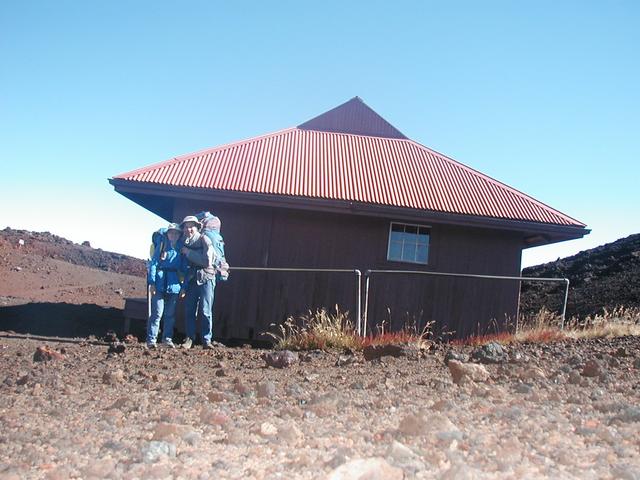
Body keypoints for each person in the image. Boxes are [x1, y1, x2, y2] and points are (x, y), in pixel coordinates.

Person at [180, 215, 216, 349]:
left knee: (206, 310)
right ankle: (189, 338)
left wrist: (188, 253)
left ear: (197, 227)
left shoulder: (204, 240)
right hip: (191, 280)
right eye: (186, 227)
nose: (189, 229)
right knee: (189, 310)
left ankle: (207, 340)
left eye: (191, 226)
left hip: (206, 278)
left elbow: (206, 262)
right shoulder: (184, 241)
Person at [146, 223, 183, 349]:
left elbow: (184, 269)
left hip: (174, 285)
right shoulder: (162, 246)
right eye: (171, 232)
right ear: (167, 234)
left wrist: (184, 286)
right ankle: (151, 340)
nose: (173, 235)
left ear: (179, 235)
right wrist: (152, 283)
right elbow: (154, 264)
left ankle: (166, 339)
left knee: (169, 315)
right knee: (157, 314)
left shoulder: (181, 249)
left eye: (176, 233)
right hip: (160, 284)